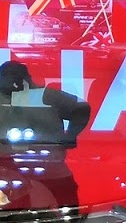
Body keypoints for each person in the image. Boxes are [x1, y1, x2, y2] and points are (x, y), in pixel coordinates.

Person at [0, 60, 92, 213]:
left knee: (67, 207)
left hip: (49, 166)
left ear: (27, 78)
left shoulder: (47, 96)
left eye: (16, 76)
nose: (14, 82)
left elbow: (81, 109)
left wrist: (70, 135)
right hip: (6, 169)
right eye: (8, 76)